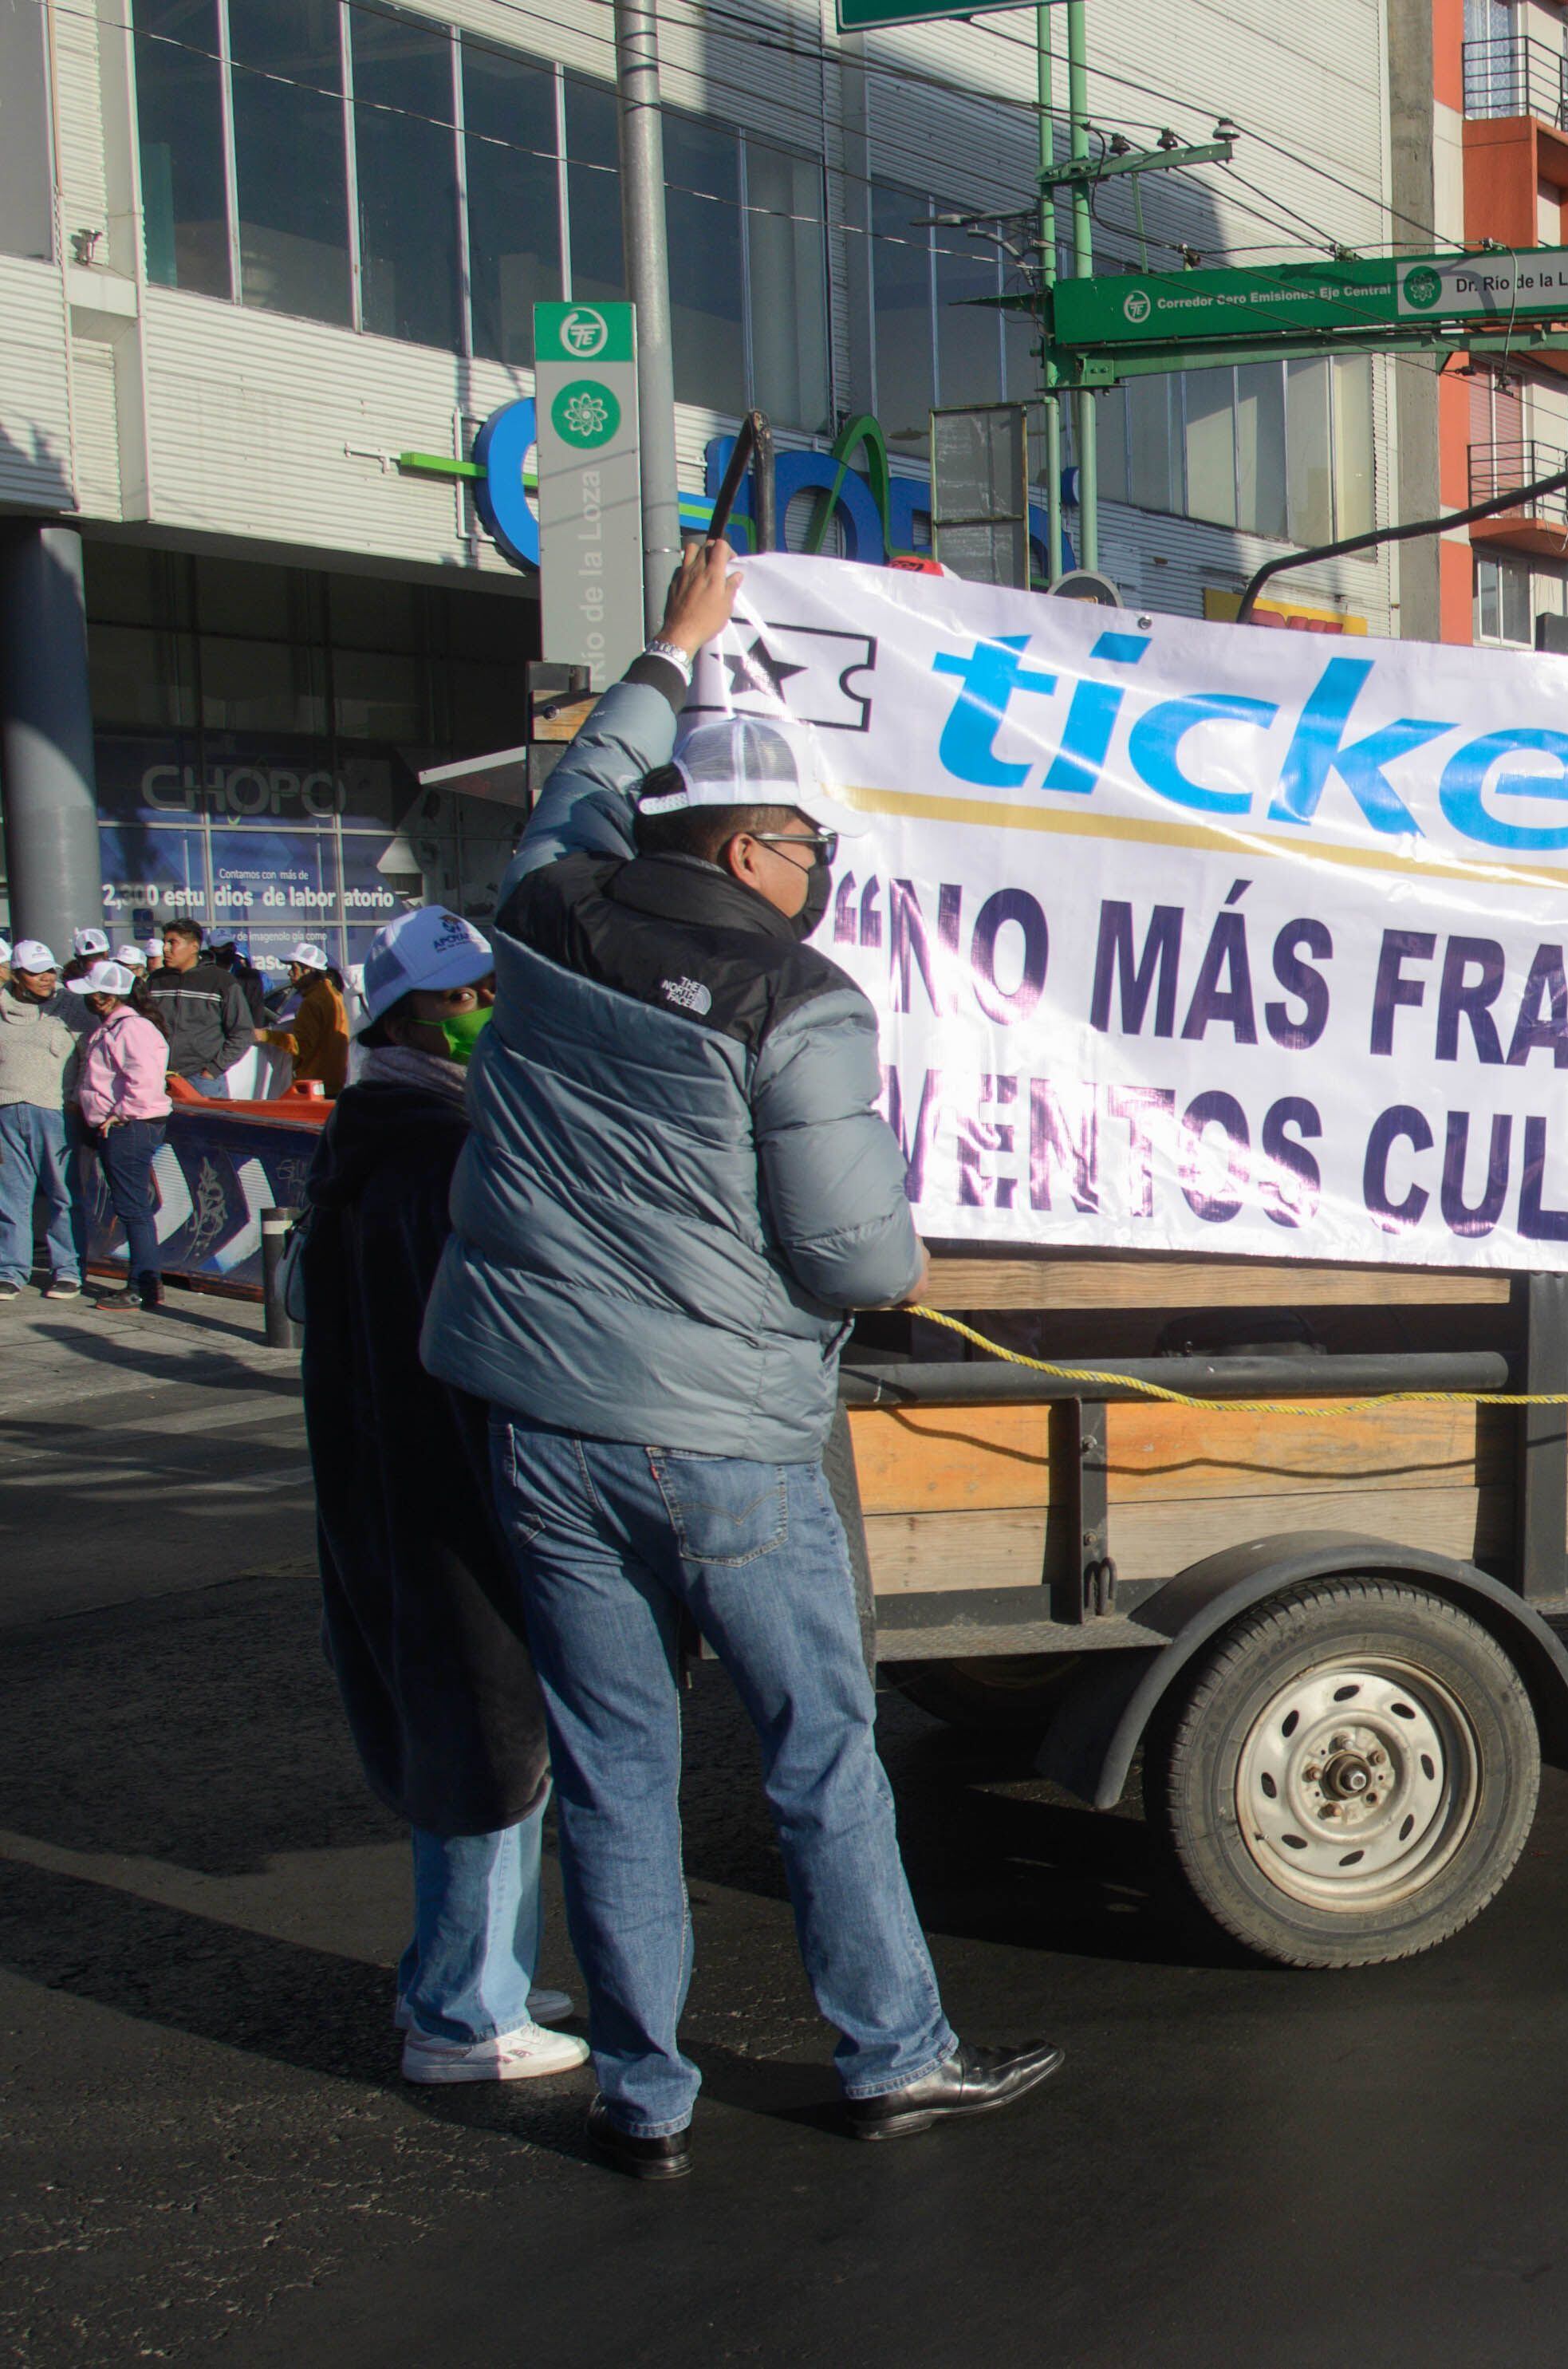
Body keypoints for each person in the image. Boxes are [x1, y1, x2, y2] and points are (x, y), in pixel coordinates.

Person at [422, 541, 1058, 2180]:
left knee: (616, 1766)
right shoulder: (801, 1001)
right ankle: (891, 2054)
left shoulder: (546, 915)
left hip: (546, 1427)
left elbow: (585, 789)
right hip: (729, 1444)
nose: (822, 872)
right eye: (812, 845)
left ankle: (641, 2096)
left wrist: (669, 650)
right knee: (816, 1756)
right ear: (759, 848)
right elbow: (859, 1259)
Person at [305, 905, 588, 2087]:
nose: (486, 1011)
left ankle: (463, 1971)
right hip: (443, 1495)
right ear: (413, 1011)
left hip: (391, 1490)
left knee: (461, 1734)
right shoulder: (426, 1154)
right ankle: (466, 2016)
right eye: (467, 996)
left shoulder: (380, 1131)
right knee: (483, 1741)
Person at [70, 961, 171, 1312]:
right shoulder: (119, 1027)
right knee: (133, 1208)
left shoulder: (131, 1029)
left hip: (130, 1127)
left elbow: (143, 1081)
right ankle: (145, 1282)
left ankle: (142, 1284)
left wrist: (119, 1114)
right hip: (124, 1125)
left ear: (104, 998)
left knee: (133, 1209)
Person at [0, 940, 85, 1301]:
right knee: (11, 1197)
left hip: (55, 1112)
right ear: (17, 975)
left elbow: (91, 1055)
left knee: (63, 1194)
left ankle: (67, 1270)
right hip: (6, 1109)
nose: (47, 978)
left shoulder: (72, 1006)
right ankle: (10, 1270)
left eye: (50, 970)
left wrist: (76, 1099)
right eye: (36, 972)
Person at [142, 918, 257, 1096]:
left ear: (194, 947)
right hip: (157, 1080)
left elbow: (242, 1032)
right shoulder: (155, 981)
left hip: (202, 1082)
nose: (165, 948)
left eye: (172, 943)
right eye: (165, 942)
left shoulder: (221, 982)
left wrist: (212, 1071)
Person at [270, 941, 351, 1097]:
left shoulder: (312, 1002)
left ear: (308, 970)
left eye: (294, 968)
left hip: (313, 1087)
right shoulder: (336, 996)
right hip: (334, 1083)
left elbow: (300, 1046)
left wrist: (266, 1036)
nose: (289, 974)